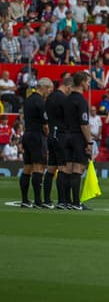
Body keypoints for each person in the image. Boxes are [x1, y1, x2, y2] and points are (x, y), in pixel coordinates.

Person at [61, 73, 93, 210]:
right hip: (78, 137)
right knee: (77, 169)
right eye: (88, 82)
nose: (88, 85)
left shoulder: (66, 99)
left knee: (67, 169)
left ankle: (66, 201)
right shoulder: (81, 101)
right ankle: (76, 203)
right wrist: (90, 142)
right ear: (82, 83)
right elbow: (84, 124)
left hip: (66, 136)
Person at [19, 77, 53, 208]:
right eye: (49, 89)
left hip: (27, 134)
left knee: (27, 168)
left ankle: (25, 200)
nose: (49, 92)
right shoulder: (40, 102)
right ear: (43, 87)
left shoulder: (28, 100)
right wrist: (48, 136)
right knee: (39, 167)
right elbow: (45, 125)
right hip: (37, 135)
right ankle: (38, 201)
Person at [45, 74, 71, 207]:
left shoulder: (50, 97)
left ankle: (46, 200)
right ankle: (62, 201)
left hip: (51, 134)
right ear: (68, 86)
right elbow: (68, 119)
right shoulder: (64, 99)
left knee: (50, 169)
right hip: (61, 135)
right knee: (63, 168)